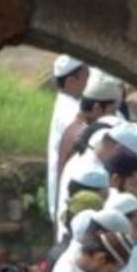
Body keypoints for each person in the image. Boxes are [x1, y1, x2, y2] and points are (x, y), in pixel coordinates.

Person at [56, 69, 122, 197]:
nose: (114, 117)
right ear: (97, 108)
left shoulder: (77, 127)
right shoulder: (87, 134)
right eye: (112, 111)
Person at [47, 56, 89, 222]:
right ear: (72, 81)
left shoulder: (67, 105)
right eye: (86, 77)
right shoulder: (72, 115)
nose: (89, 82)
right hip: (70, 199)